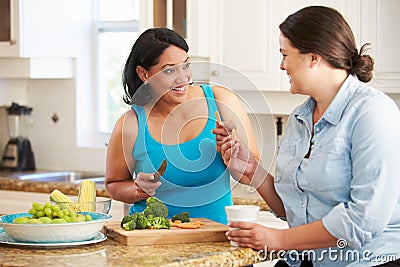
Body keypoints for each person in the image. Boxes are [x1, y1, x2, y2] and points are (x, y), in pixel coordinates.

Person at [213, 6, 400, 267]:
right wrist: (251, 170)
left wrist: (279, 240)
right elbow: (294, 211)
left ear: (313, 57)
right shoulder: (301, 118)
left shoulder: (373, 113)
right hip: (304, 260)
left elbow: (363, 220)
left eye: (285, 54)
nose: (281, 65)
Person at [105, 28, 259, 224]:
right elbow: (113, 184)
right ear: (144, 74)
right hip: (151, 240)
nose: (183, 78)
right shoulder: (131, 124)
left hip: (216, 237)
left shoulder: (221, 100)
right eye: (169, 70)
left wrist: (234, 159)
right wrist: (137, 190)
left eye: (186, 66)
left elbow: (252, 176)